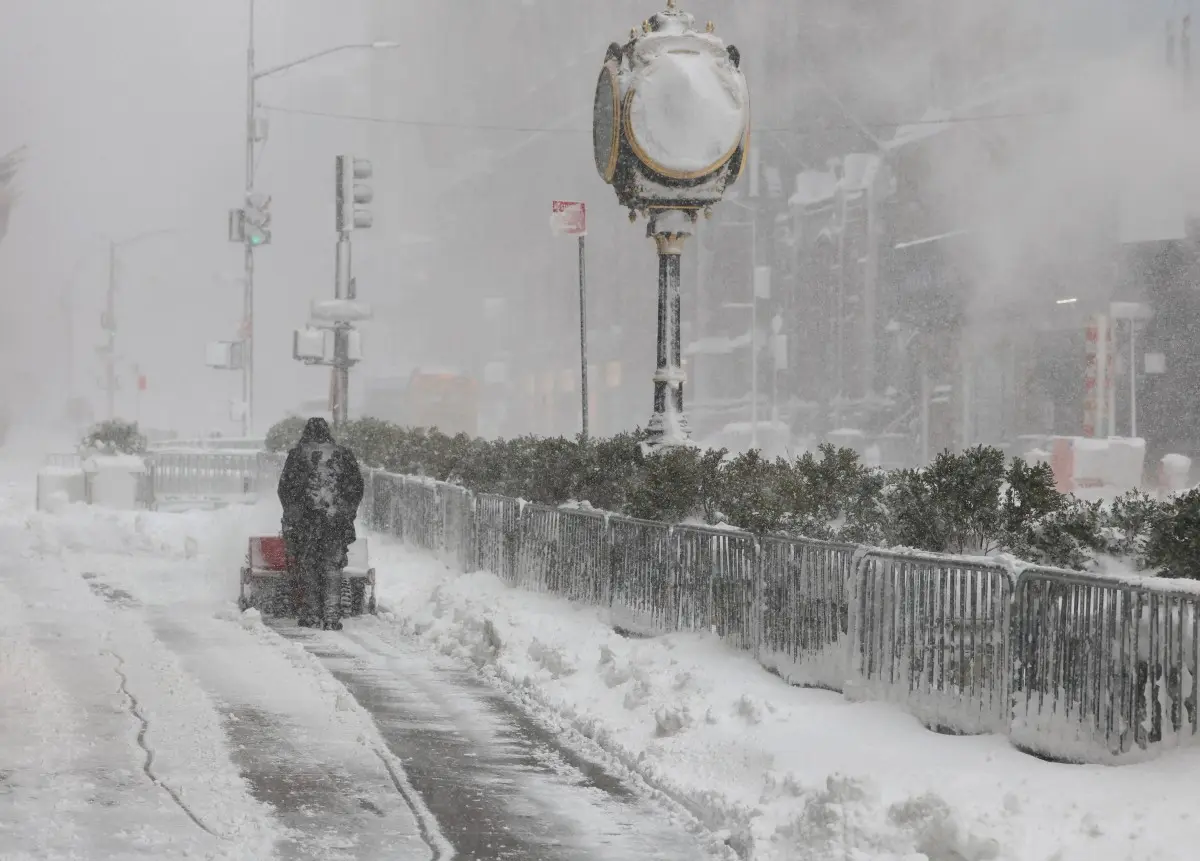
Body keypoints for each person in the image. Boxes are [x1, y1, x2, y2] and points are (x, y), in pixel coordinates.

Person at [276, 417, 364, 630]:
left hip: (306, 523)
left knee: (309, 566)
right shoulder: (343, 455)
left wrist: (294, 514)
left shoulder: (297, 455)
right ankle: (332, 616)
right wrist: (346, 512)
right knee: (332, 567)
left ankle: (312, 614)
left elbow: (285, 489)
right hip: (335, 522)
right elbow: (356, 487)